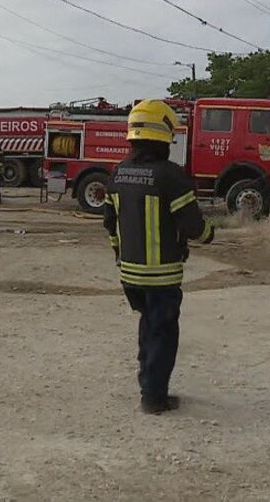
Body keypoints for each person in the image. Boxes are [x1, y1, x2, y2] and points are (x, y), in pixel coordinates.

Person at [103, 100, 215, 414]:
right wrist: (210, 233)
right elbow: (194, 227)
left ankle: (147, 386)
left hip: (129, 276)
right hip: (163, 276)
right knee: (163, 334)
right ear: (164, 134)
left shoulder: (118, 173)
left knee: (148, 327)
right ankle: (154, 398)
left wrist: (119, 257)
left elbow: (109, 224)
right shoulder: (171, 176)